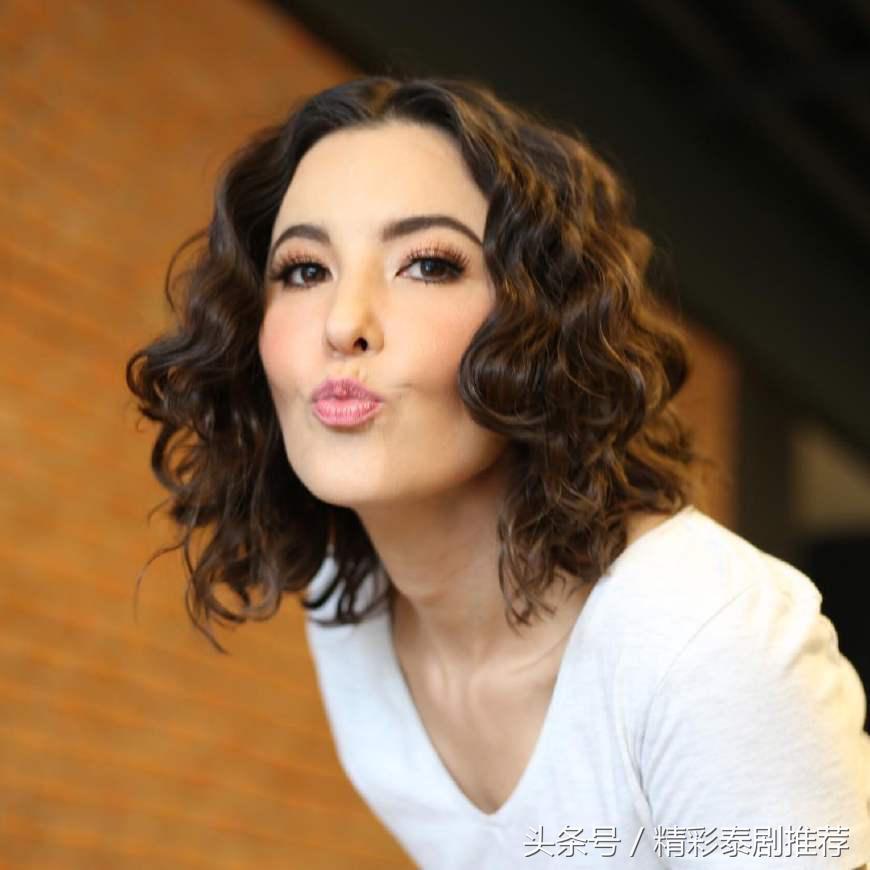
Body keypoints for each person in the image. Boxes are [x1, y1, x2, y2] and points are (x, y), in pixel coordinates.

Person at [125, 76, 870, 869]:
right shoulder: (350, 610)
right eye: (305, 270)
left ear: (541, 324)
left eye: (428, 264)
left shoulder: (706, 638)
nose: (344, 324)